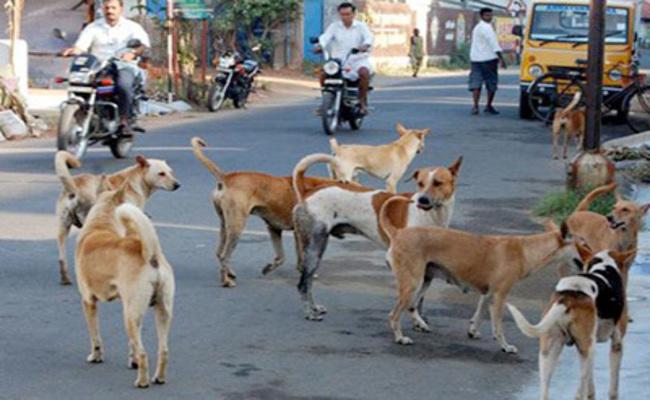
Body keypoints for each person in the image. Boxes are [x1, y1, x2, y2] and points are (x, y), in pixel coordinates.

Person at [62, 0, 150, 135]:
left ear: (121, 9)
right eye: (107, 8)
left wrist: (132, 53)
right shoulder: (93, 27)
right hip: (98, 66)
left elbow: (142, 45)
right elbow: (81, 46)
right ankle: (87, 117)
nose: (110, 11)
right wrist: (73, 51)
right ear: (103, 9)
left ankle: (124, 121)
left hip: (123, 65)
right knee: (79, 84)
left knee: (123, 85)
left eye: (113, 8)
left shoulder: (132, 27)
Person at [316, 2, 374, 114]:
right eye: (342, 14)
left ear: (354, 14)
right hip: (338, 61)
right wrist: (320, 46)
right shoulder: (334, 26)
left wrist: (364, 46)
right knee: (323, 74)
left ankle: (362, 102)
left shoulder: (361, 27)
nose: (345, 17)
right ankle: (326, 100)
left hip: (357, 60)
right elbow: (325, 37)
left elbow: (369, 38)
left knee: (364, 73)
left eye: (348, 14)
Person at [469, 7, 507, 115]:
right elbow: (494, 44)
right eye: (487, 15)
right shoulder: (487, 28)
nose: (489, 17)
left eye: (490, 15)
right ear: (481, 16)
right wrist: (501, 59)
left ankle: (475, 106)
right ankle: (488, 105)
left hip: (476, 59)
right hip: (489, 59)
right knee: (491, 83)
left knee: (476, 82)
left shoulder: (477, 28)